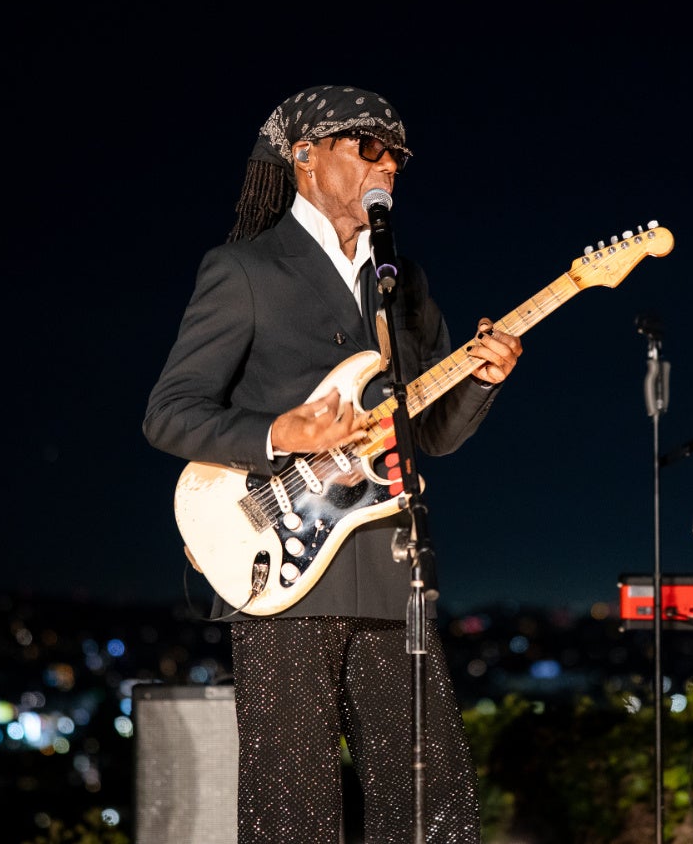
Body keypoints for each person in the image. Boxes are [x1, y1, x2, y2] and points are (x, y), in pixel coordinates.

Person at [143, 84, 522, 843]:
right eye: (368, 146)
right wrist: (278, 431)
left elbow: (432, 434)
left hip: (389, 568)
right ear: (306, 158)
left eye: (398, 155)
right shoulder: (246, 269)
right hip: (280, 572)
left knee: (435, 807)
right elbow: (169, 412)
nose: (388, 164)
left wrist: (481, 380)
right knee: (293, 812)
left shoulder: (402, 282)